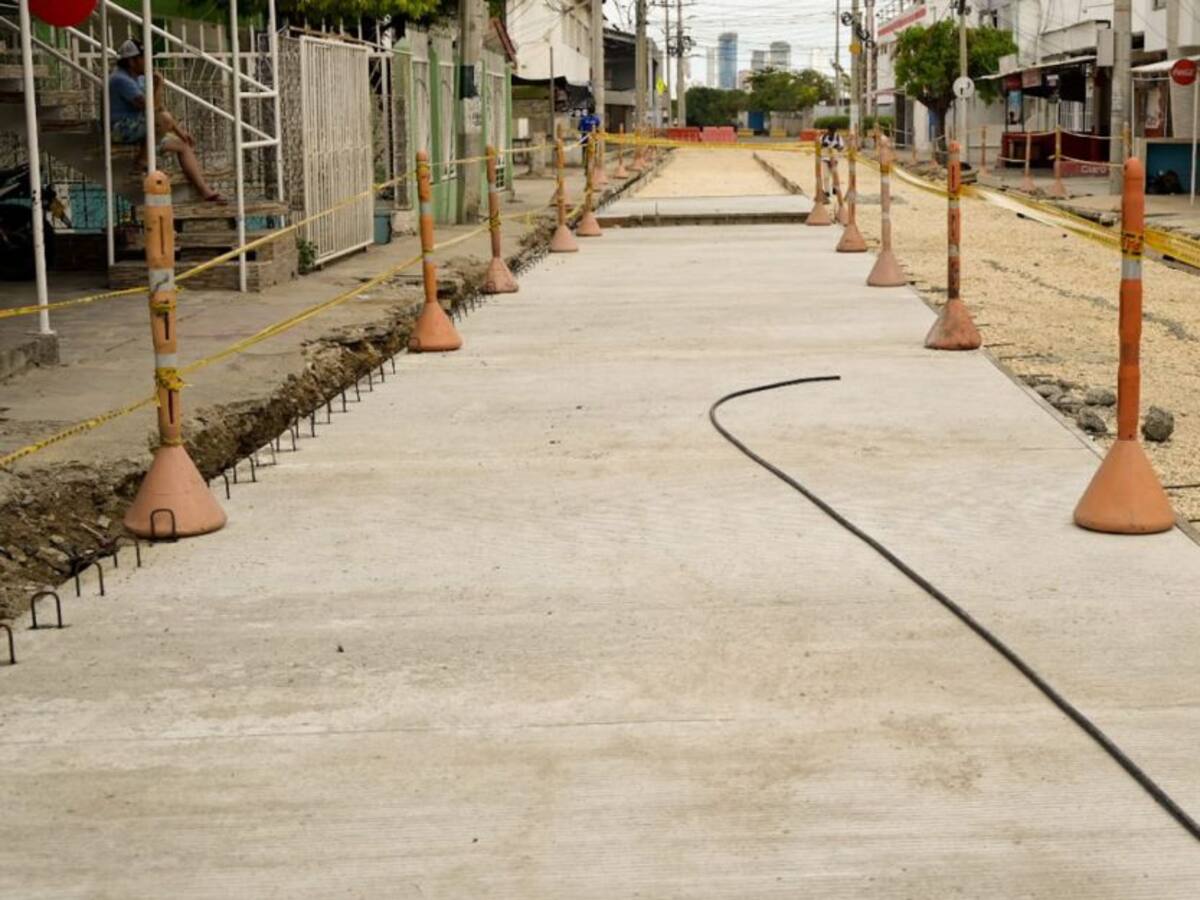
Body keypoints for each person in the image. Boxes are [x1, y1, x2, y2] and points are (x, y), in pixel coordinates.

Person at [109, 39, 224, 202]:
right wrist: (159, 86)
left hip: (140, 128)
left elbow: (159, 107)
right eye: (144, 58)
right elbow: (150, 108)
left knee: (183, 145)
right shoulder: (120, 79)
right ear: (131, 61)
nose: (149, 62)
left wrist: (180, 132)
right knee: (163, 119)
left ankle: (204, 190)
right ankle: (142, 161)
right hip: (120, 130)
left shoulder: (138, 78)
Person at [819, 125, 845, 196]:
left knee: (834, 175)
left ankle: (834, 188)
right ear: (828, 131)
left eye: (833, 132)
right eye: (830, 132)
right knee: (826, 176)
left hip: (834, 159)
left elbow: (841, 147)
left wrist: (837, 146)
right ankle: (827, 191)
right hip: (825, 158)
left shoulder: (838, 137)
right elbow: (818, 147)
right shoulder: (823, 137)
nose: (831, 133)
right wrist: (823, 145)